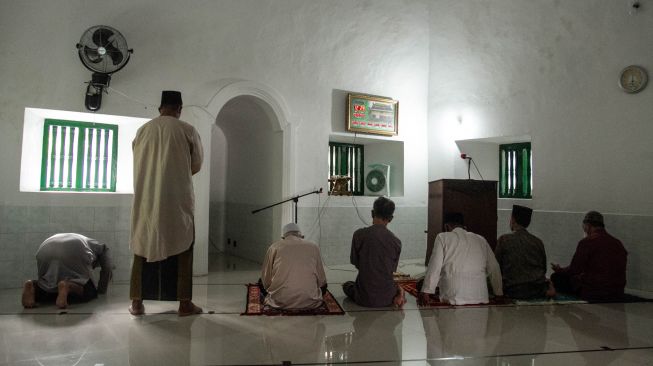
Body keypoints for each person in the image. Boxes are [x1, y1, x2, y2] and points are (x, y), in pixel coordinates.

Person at [129, 90, 204, 316]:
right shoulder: (187, 130)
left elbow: (137, 160)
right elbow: (196, 164)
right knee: (182, 248)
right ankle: (184, 304)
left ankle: (137, 303)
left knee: (143, 246)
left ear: (159, 108)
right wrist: (176, 173)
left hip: (147, 201)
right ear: (179, 109)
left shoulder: (143, 131)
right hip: (176, 200)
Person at [418, 212, 504, 305]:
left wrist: (427, 291)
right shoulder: (481, 239)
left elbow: (435, 266)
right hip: (480, 297)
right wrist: (498, 293)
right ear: (464, 227)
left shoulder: (442, 237)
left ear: (446, 227)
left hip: (453, 297)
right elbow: (494, 267)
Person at [342, 197, 405, 308]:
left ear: (372, 213)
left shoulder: (359, 235)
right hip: (387, 298)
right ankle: (400, 293)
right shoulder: (396, 242)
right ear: (391, 218)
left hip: (364, 297)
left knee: (347, 285)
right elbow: (392, 271)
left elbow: (356, 263)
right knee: (394, 283)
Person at [550, 211, 628, 302]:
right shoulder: (617, 243)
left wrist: (560, 270)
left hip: (595, 292)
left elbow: (575, 269)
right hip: (617, 292)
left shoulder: (587, 242)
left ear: (588, 226)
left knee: (556, 277)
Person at [22, 233, 112, 309]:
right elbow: (107, 268)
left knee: (46, 284)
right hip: (75, 247)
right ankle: (68, 285)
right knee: (90, 290)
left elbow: (42, 274)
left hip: (45, 247)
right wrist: (101, 290)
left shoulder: (86, 241)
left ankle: (33, 285)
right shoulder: (102, 248)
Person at [259, 223, 328, 309]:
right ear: (301, 235)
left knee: (260, 282)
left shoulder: (274, 247)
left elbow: (266, 279)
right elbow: (322, 280)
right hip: (310, 300)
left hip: (280, 301)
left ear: (283, 237)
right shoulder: (313, 246)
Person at [495, 205, 555, 299]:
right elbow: (544, 268)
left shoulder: (504, 240)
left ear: (513, 220)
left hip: (512, 290)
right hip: (537, 289)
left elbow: (496, 266)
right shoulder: (538, 242)